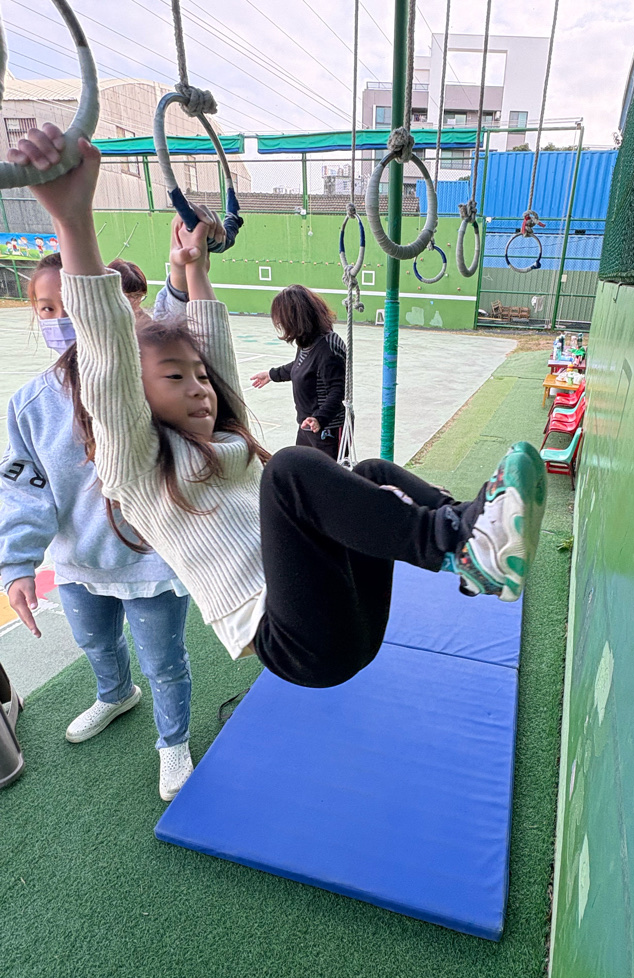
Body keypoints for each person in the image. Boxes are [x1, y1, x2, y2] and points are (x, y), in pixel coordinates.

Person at [13, 125, 547, 695]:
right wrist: (73, 220)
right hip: (299, 643)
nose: (200, 388)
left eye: (200, 377)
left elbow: (212, 346)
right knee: (292, 468)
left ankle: (470, 537)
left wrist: (195, 269)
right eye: (174, 378)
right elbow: (108, 357)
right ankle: (455, 539)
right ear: (135, 402)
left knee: (369, 473)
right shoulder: (136, 466)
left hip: (351, 614)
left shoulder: (226, 437)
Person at [0, 250, 194, 802]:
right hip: (78, 561)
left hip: (150, 561)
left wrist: (182, 273)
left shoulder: (146, 378)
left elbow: (177, 327)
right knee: (95, 642)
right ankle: (115, 694)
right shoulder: (30, 404)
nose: (59, 318)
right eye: (45, 308)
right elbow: (24, 488)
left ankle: (173, 742)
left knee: (165, 663)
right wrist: (17, 564)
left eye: (71, 304)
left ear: (103, 306)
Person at [251, 285, 347, 459]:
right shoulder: (307, 341)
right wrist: (271, 375)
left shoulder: (327, 347)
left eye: (283, 320)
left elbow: (337, 390)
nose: (281, 324)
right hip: (307, 426)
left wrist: (319, 419)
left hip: (327, 431)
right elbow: (301, 367)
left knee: (327, 475)